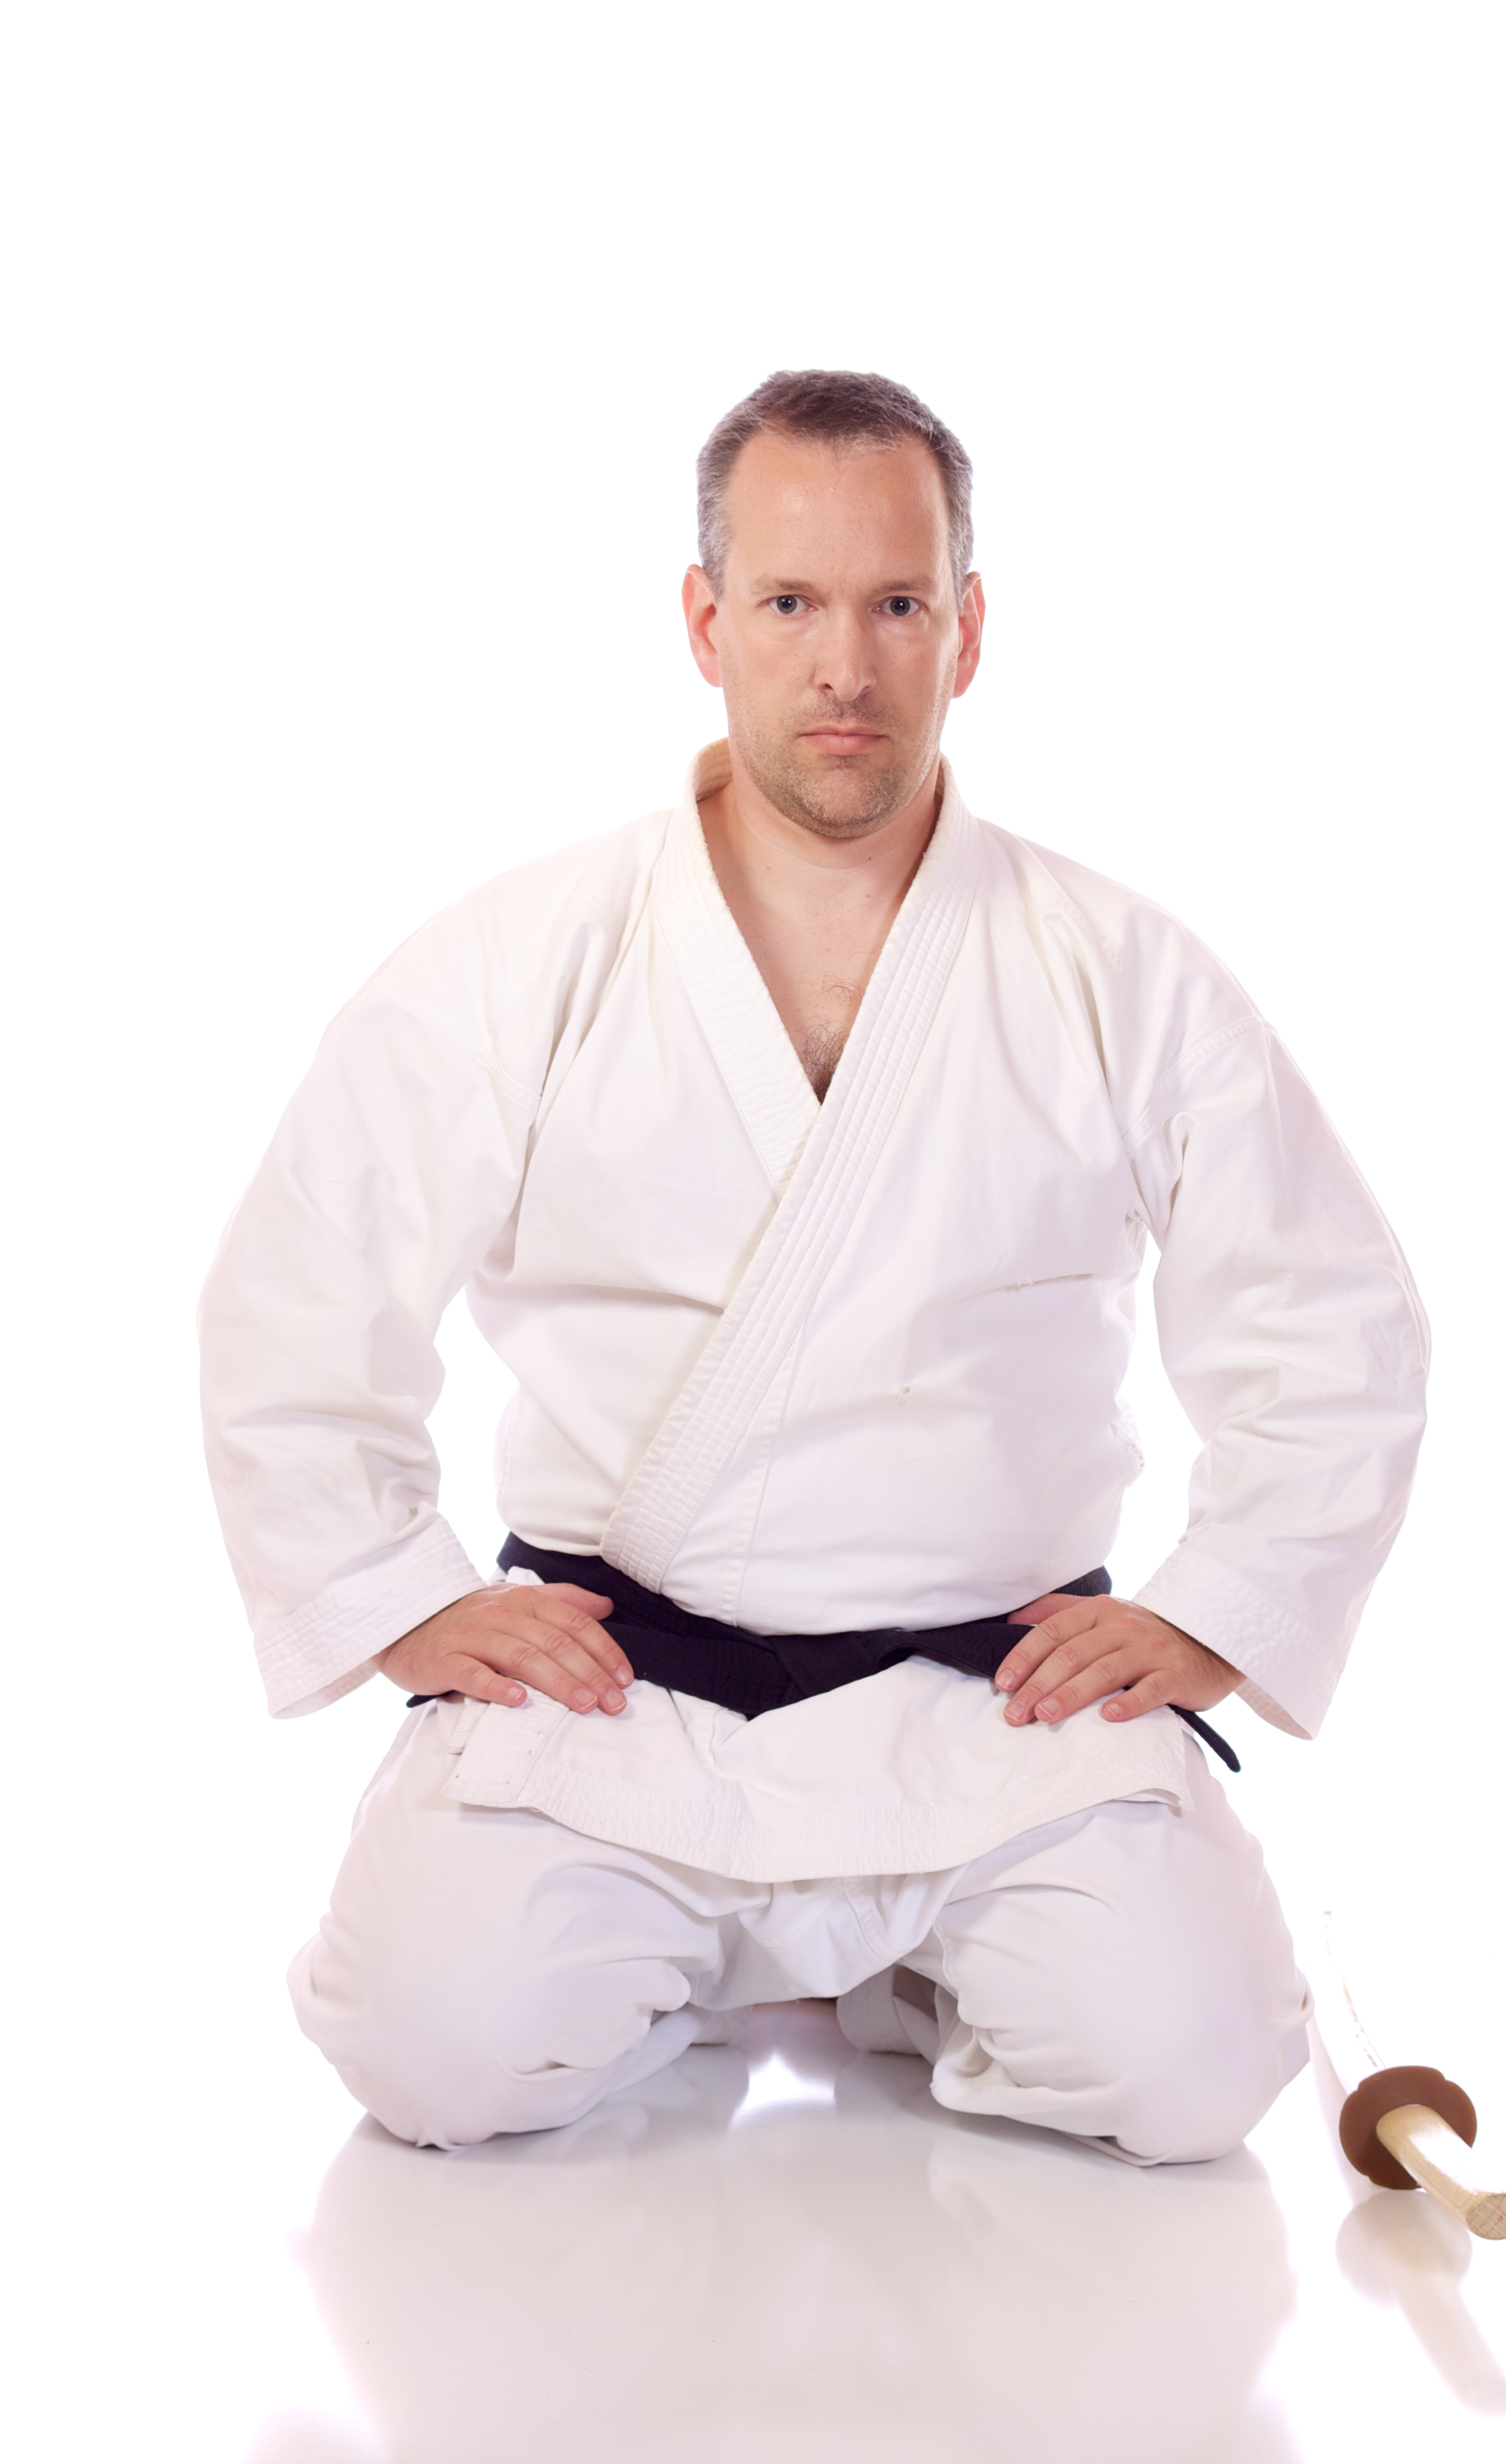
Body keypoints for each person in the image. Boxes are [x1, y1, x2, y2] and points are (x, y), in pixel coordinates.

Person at [200, 369, 1428, 2158]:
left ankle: (898, 1959)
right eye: (787, 603)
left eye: (893, 603)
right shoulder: (522, 955)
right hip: (624, 1701)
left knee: (1186, 2074)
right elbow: (300, 1295)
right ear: (705, 624)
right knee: (434, 2053)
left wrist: (1214, 1609)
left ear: (967, 629)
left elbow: (1327, 1312)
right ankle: (709, 1947)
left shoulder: (1112, 965)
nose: (842, 666)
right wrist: (396, 1595)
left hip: (989, 1707)